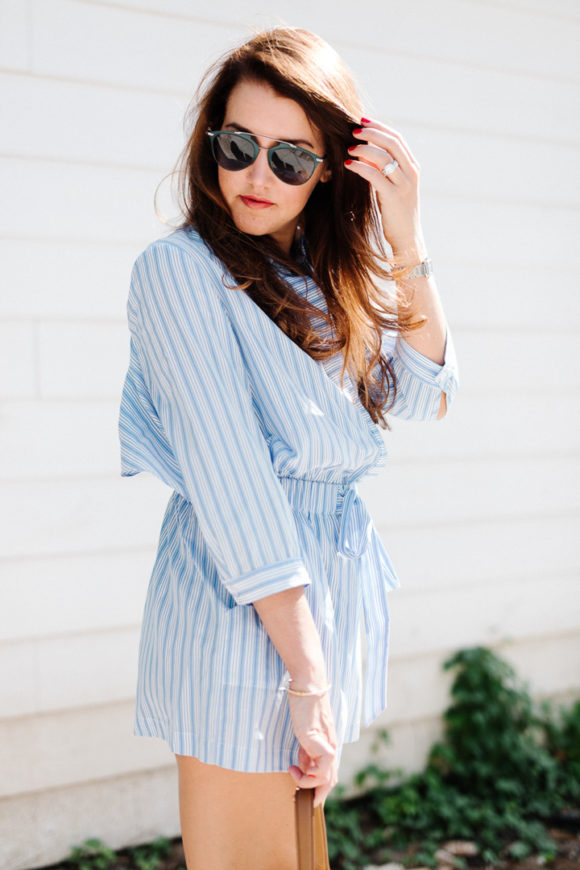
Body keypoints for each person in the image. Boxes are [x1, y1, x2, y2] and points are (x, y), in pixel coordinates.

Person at [118, 25, 459, 870]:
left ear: (332, 169)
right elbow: (233, 484)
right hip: (242, 599)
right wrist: (308, 680)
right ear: (210, 146)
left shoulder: (323, 275)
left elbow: (427, 393)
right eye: (237, 146)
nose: (256, 177)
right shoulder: (179, 273)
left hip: (313, 601)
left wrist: (405, 237)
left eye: (291, 159)